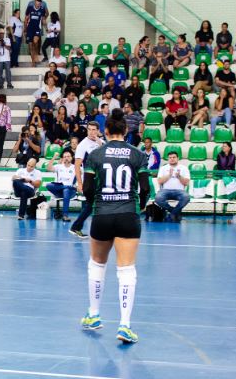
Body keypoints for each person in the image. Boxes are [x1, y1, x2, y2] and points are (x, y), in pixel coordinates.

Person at [80, 108, 150, 344]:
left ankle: (94, 314)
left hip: (102, 215)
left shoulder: (96, 155)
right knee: (127, 270)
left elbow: (88, 189)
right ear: (126, 130)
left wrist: (96, 205)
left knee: (96, 265)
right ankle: (125, 325)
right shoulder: (138, 155)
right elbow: (146, 189)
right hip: (128, 215)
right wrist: (138, 207)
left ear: (106, 131)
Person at [70, 121, 104, 238]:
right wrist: (80, 183)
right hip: (89, 180)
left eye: (94, 130)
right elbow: (77, 165)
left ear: (98, 131)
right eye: (89, 129)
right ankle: (78, 227)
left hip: (101, 180)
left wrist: (100, 144)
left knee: (91, 205)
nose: (91, 132)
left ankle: (76, 227)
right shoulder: (83, 145)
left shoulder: (102, 143)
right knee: (93, 204)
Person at [154, 152, 190, 222]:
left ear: (177, 158)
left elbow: (186, 183)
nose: (172, 159)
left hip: (180, 191)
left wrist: (179, 176)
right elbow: (159, 181)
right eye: (170, 158)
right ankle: (174, 212)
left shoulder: (184, 168)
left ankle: (172, 214)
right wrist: (169, 175)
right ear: (168, 159)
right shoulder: (163, 168)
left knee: (186, 197)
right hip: (165, 190)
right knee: (158, 198)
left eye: (174, 157)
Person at [45, 151, 77, 221]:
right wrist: (54, 157)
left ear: (71, 158)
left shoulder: (75, 167)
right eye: (64, 157)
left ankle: (65, 215)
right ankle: (66, 186)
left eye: (68, 156)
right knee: (48, 185)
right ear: (62, 159)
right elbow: (48, 168)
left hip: (70, 192)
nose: (66, 158)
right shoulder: (59, 166)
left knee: (66, 190)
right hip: (59, 190)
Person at [24, 0, 46, 67]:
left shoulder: (42, 9)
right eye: (36, 4)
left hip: (37, 28)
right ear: (34, 3)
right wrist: (25, 29)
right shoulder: (30, 8)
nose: (37, 5)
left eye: (39, 4)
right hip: (30, 28)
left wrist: (46, 28)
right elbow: (26, 18)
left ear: (40, 4)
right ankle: (33, 61)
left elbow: (43, 20)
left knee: (35, 42)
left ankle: (36, 55)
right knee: (30, 45)